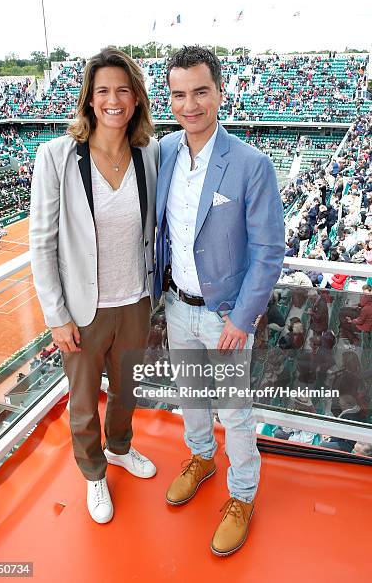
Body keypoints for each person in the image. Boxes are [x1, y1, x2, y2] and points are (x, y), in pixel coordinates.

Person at [154, 46, 285, 556]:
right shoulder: (164, 151)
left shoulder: (252, 164)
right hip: (176, 305)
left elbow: (270, 250)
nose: (190, 104)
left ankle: (243, 496)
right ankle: (201, 457)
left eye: (200, 91)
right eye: (180, 94)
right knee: (190, 397)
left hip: (226, 317)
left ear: (219, 93)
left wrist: (244, 319)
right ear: (171, 98)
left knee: (234, 411)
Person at [30, 48, 158, 525]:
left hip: (136, 300)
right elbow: (41, 242)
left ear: (136, 98)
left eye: (123, 89)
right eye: (103, 90)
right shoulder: (56, 156)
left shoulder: (150, 154)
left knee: (126, 391)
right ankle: (93, 473)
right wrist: (56, 314)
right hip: (83, 308)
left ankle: (121, 449)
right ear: (88, 99)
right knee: (83, 403)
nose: (113, 99)